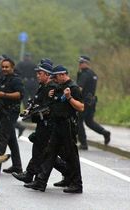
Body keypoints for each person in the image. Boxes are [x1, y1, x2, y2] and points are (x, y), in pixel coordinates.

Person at [25, 65, 84, 194]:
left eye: (55, 77)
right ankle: (40, 182)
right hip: (57, 125)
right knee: (49, 153)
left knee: (71, 156)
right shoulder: (58, 87)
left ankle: (77, 184)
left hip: (67, 125)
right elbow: (55, 104)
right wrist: (51, 96)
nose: (54, 79)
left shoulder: (73, 88)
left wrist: (69, 97)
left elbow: (80, 107)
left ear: (63, 74)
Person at [12, 60, 67, 183]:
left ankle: (66, 171)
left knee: (45, 153)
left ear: (47, 75)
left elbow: (48, 107)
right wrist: (28, 110)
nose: (37, 75)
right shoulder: (43, 86)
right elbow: (36, 102)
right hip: (42, 123)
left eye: (40, 73)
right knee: (40, 151)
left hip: (48, 125)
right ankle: (31, 175)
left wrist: (35, 111)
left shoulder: (52, 88)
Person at [0, 58, 24, 173]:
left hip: (11, 112)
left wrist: (4, 94)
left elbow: (19, 95)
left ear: (12, 68)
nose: (4, 69)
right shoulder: (1, 79)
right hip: (2, 111)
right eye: (3, 67)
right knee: (11, 139)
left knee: (2, 137)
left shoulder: (16, 80)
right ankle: (17, 166)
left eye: (7, 67)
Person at [76, 55, 111, 150]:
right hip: (92, 101)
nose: (79, 65)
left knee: (78, 121)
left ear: (86, 63)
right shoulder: (93, 74)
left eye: (81, 63)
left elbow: (79, 88)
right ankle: (105, 132)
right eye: (79, 63)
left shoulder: (84, 74)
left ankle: (83, 143)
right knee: (89, 122)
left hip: (84, 102)